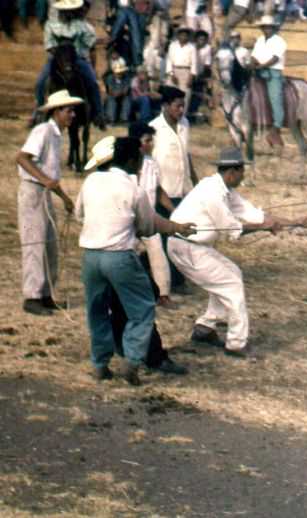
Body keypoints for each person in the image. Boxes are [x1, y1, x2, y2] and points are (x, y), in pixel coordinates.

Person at [166, 148, 307, 358]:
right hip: (184, 248)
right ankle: (236, 344)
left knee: (232, 274)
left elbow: (255, 214)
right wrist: (264, 227)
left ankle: (205, 328)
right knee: (231, 285)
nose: (244, 175)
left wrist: (296, 222)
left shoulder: (225, 190)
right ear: (232, 172)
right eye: (242, 171)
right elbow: (231, 230)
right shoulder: (211, 193)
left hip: (196, 247)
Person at [76, 136, 195, 385]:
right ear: (132, 160)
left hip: (90, 256)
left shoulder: (91, 181)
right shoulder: (134, 189)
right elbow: (147, 225)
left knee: (97, 311)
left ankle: (100, 364)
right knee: (141, 309)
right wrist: (175, 227)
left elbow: (79, 214)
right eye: (139, 160)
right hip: (118, 256)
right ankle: (132, 360)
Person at [16, 90, 82, 316]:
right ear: (56, 112)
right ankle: (32, 296)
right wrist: (44, 181)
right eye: (68, 110)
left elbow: (51, 176)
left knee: (50, 245)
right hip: (32, 192)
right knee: (34, 244)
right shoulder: (42, 131)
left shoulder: (57, 135)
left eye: (73, 110)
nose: (72, 114)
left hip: (43, 192)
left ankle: (46, 294)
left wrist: (65, 199)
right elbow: (22, 158)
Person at [150, 86, 197, 290]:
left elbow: (186, 156)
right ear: (166, 106)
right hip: (162, 193)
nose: (181, 111)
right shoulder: (154, 129)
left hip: (182, 191)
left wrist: (195, 183)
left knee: (180, 238)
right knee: (162, 239)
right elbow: (149, 164)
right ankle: (162, 284)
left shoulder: (185, 124)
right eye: (178, 106)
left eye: (183, 106)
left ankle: (178, 280)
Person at [129, 121, 175, 306]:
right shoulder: (127, 162)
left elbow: (158, 190)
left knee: (158, 253)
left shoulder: (152, 162)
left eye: (152, 140)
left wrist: (174, 211)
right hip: (129, 220)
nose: (151, 144)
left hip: (149, 219)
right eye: (147, 140)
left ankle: (163, 294)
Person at [34, 0, 102, 124]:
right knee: (40, 82)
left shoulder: (82, 25)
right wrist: (62, 54)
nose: (66, 13)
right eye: (64, 11)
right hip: (57, 58)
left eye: (69, 11)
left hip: (78, 59)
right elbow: (49, 45)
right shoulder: (51, 24)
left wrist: (73, 54)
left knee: (92, 82)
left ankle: (98, 113)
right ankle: (38, 111)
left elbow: (89, 44)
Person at [251, 15, 288, 148]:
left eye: (269, 27)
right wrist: (253, 63)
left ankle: (277, 126)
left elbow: (275, 59)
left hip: (273, 72)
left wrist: (261, 66)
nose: (267, 29)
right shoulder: (260, 40)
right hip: (258, 70)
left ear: (273, 28)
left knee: (275, 97)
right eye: (265, 27)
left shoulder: (280, 41)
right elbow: (254, 55)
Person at [166, 26, 198, 110]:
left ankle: (181, 117)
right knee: (169, 94)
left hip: (186, 71)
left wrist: (191, 76)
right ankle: (168, 116)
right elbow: (169, 60)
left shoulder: (192, 47)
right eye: (182, 35)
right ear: (178, 35)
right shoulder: (173, 45)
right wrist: (171, 74)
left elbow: (194, 63)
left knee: (185, 95)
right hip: (174, 70)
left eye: (185, 35)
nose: (184, 37)